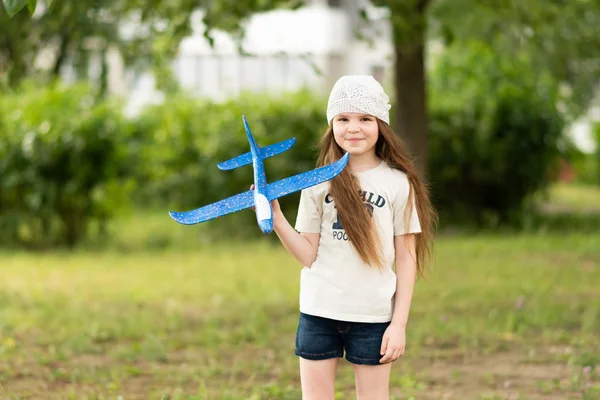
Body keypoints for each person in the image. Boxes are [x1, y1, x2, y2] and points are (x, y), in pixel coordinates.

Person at [271, 75, 436, 399]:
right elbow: (308, 255)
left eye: (365, 118)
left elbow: (406, 257)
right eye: (343, 119)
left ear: (381, 125)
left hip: (373, 316)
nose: (353, 127)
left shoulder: (397, 183)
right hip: (319, 313)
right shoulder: (317, 182)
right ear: (332, 124)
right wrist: (276, 217)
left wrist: (398, 324)